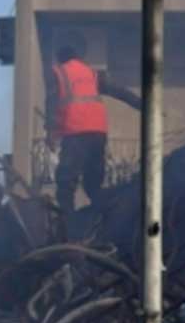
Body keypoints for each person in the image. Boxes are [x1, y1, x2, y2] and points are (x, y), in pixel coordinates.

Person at [46, 34, 142, 222]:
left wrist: (50, 131)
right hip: (98, 133)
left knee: (66, 183)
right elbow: (119, 91)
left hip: (75, 132)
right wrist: (142, 105)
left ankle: (68, 226)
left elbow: (51, 102)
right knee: (93, 184)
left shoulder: (58, 72)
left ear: (60, 58)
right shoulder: (91, 73)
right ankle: (104, 220)